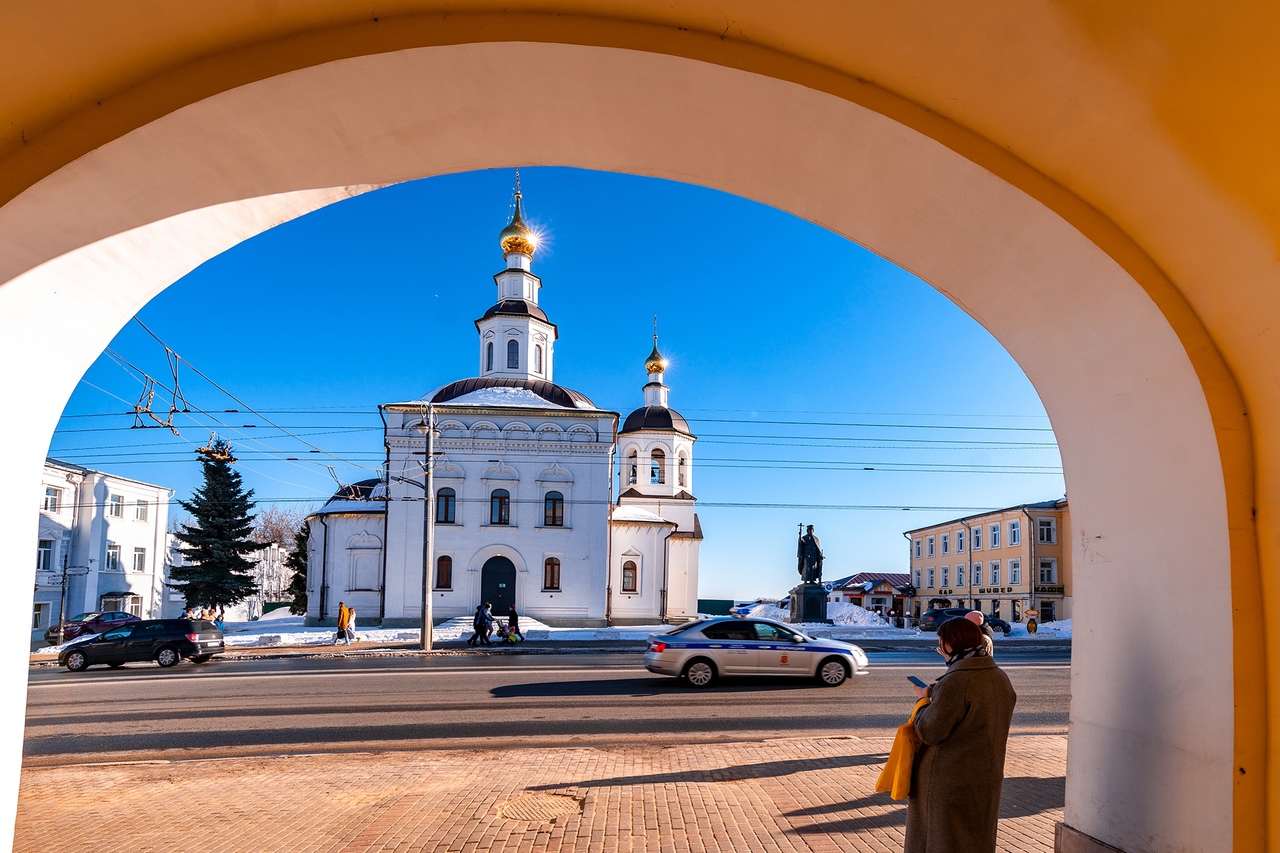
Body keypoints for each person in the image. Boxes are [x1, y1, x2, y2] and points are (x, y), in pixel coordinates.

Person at [905, 616, 1017, 852]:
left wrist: (923, 702)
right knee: (976, 839)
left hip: (948, 779)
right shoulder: (999, 676)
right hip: (986, 776)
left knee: (941, 841)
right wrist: (939, 695)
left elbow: (930, 731)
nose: (941, 650)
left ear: (951, 645)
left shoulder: (956, 680)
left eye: (940, 644)